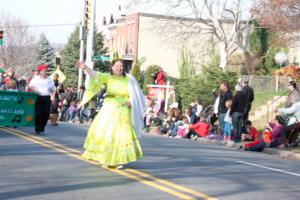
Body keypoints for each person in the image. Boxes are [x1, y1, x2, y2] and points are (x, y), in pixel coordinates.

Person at [78, 59, 145, 169]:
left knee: (120, 135)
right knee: (105, 132)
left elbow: (137, 94)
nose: (119, 68)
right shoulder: (107, 77)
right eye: (117, 66)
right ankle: (105, 158)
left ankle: (117, 160)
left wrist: (131, 102)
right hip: (109, 108)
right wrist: (85, 67)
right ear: (112, 67)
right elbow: (95, 74)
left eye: (121, 66)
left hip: (123, 110)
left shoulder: (129, 79)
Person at [28, 64, 56, 134]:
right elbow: (30, 86)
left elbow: (53, 89)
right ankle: (37, 128)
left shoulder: (49, 79)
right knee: (39, 114)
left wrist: (53, 98)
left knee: (46, 114)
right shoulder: (36, 79)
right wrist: (35, 90)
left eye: (45, 71)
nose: (44, 72)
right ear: (40, 72)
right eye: (43, 71)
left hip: (47, 97)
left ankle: (42, 127)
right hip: (38, 97)